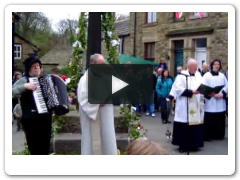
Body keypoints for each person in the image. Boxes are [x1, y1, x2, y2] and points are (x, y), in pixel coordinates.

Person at [77, 54, 117, 155]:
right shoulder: (85, 79)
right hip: (95, 116)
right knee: (92, 143)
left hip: (105, 116)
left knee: (107, 140)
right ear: (92, 64)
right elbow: (83, 97)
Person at [12, 56, 53, 155]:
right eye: (34, 66)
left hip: (45, 118)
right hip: (31, 119)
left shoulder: (45, 80)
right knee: (34, 147)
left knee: (45, 146)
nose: (37, 68)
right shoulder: (23, 80)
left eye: (38, 66)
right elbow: (12, 92)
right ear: (28, 68)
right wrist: (25, 86)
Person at [167, 58, 204, 153]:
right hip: (184, 103)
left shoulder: (198, 75)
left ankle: (194, 144)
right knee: (183, 125)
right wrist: (191, 92)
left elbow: (202, 84)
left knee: (194, 124)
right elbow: (177, 88)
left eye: (196, 67)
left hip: (195, 103)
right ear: (188, 67)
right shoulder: (181, 76)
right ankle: (182, 145)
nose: (196, 69)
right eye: (194, 67)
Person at [202, 59, 228, 141]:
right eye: (215, 64)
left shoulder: (222, 76)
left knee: (220, 118)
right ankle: (208, 135)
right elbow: (203, 87)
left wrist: (222, 94)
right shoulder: (206, 76)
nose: (217, 65)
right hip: (210, 102)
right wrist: (212, 94)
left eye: (218, 64)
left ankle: (219, 135)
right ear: (212, 65)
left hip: (220, 101)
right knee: (210, 119)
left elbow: (227, 86)